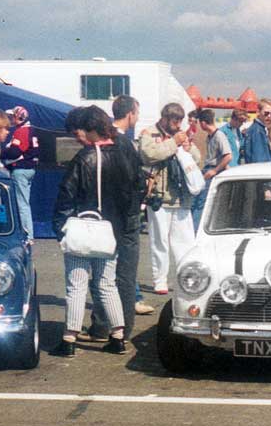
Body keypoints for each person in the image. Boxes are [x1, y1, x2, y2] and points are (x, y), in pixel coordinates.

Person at [51, 106, 136, 358]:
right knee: (106, 284)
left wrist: (59, 228)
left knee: (76, 284)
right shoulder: (121, 156)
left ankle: (69, 339)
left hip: (81, 229)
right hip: (110, 232)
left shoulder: (84, 157)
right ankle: (118, 337)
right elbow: (131, 195)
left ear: (90, 130)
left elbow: (66, 195)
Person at [139, 103, 202, 294]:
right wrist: (174, 142)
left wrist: (188, 147)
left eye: (180, 122)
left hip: (181, 198)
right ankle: (160, 280)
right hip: (159, 197)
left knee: (186, 242)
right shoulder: (149, 134)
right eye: (174, 121)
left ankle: (188, 277)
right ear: (164, 118)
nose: (177, 125)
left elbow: (198, 159)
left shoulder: (182, 135)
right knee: (160, 241)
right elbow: (149, 155)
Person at [109, 95, 152, 322]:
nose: (137, 117)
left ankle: (106, 320)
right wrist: (144, 185)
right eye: (137, 113)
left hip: (109, 213)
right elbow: (131, 180)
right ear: (129, 114)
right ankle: (122, 323)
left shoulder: (108, 139)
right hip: (126, 214)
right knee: (125, 272)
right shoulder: (124, 143)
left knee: (106, 272)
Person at [1, 106, 39, 238]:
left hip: (21, 169)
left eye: (13, 116)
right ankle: (27, 234)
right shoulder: (31, 130)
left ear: (20, 117)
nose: (11, 119)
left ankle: (26, 235)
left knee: (22, 204)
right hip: (29, 168)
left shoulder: (21, 131)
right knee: (24, 203)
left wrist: (2, 153)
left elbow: (14, 152)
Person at [192, 109, 232, 231]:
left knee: (200, 203)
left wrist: (215, 170)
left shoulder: (219, 136)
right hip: (208, 169)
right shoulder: (210, 136)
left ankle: (195, 231)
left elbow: (228, 156)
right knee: (198, 201)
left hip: (212, 171)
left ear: (203, 123)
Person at [241, 99, 271, 163]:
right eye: (266, 113)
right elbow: (259, 159)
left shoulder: (259, 129)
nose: (269, 116)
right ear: (258, 112)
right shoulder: (257, 131)